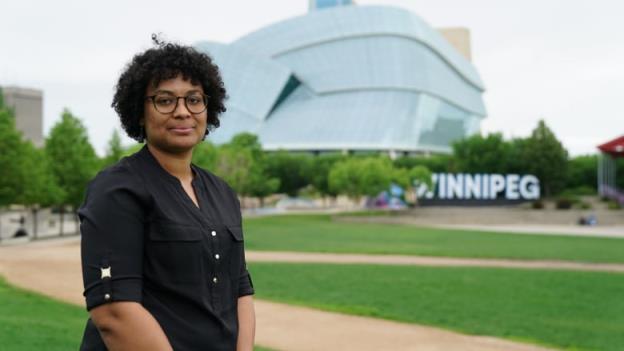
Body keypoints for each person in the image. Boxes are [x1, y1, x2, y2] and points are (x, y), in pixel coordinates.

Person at [78, 38, 255, 351]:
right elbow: (114, 313)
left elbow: (240, 290)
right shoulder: (118, 190)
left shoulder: (222, 192)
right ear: (140, 111)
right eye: (165, 100)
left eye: (194, 99)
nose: (183, 112)